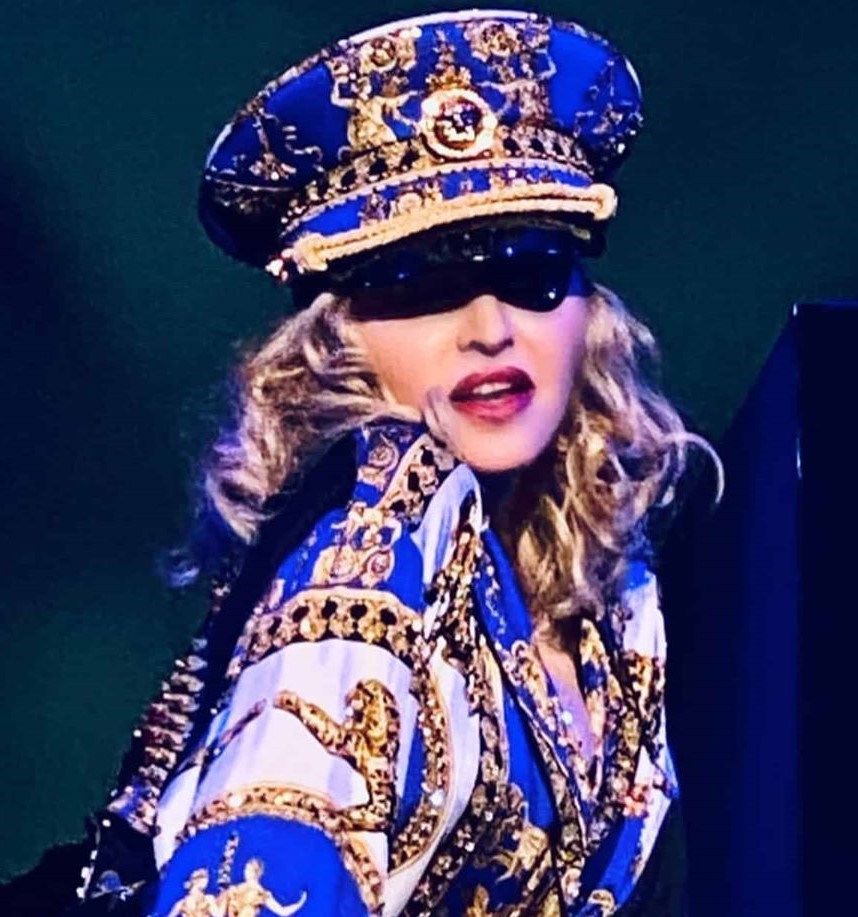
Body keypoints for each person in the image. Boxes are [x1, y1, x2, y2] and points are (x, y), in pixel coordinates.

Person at [0, 8, 721, 916]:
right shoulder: (381, 510)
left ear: (587, 306)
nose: (490, 329)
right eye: (421, 287)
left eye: (531, 271)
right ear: (337, 337)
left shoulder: (620, 602)